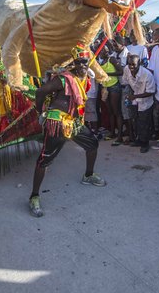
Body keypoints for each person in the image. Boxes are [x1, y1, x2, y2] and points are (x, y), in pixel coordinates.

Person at [29, 44, 106, 217]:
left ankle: (88, 175)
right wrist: (40, 111)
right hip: (57, 123)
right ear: (74, 62)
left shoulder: (85, 78)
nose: (83, 65)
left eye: (86, 62)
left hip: (75, 122)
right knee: (45, 160)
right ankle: (34, 196)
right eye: (79, 62)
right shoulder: (63, 79)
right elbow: (40, 92)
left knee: (92, 144)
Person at [123, 54, 156, 153]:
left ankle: (145, 143)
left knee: (144, 122)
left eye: (133, 64)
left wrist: (135, 96)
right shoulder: (126, 69)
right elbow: (126, 82)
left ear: (139, 64)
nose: (131, 67)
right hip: (134, 99)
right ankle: (138, 140)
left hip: (145, 101)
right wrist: (130, 95)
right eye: (129, 64)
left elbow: (151, 92)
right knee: (135, 120)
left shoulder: (147, 75)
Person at [99, 46, 124, 145]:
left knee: (116, 111)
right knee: (110, 112)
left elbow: (120, 71)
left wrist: (106, 74)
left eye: (101, 51)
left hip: (114, 87)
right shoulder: (101, 61)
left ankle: (120, 136)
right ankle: (112, 132)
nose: (100, 52)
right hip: (105, 88)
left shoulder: (112, 59)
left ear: (106, 51)